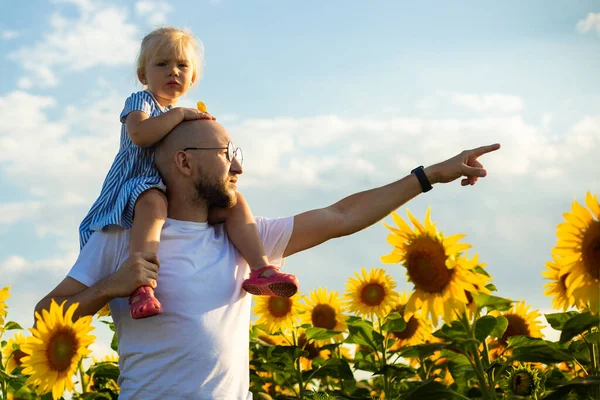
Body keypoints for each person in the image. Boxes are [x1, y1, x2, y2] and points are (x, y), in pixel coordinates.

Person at [36, 119, 500, 399]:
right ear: (184, 163)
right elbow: (45, 315)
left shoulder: (243, 240)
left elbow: (341, 215)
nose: (238, 166)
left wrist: (429, 175)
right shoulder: (122, 240)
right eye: (226, 154)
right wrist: (109, 287)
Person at [79, 27, 298, 320]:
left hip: (175, 192)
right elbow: (140, 135)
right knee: (153, 202)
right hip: (137, 186)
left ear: (193, 77)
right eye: (162, 64)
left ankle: (261, 268)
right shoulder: (141, 103)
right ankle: (141, 285)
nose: (173, 71)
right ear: (144, 76)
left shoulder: (183, 117)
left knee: (235, 203)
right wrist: (180, 115)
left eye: (182, 65)